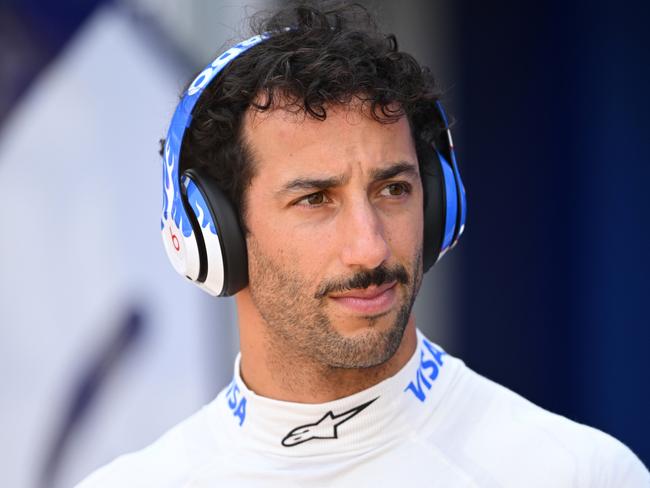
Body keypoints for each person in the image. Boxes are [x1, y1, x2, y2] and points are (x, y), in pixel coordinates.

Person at [77, 2, 649, 486]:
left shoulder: (575, 473)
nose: (370, 249)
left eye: (393, 189)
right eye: (315, 199)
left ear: (439, 204)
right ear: (211, 232)